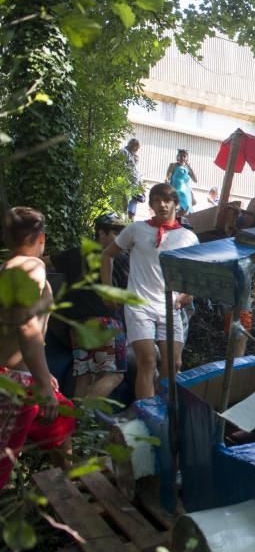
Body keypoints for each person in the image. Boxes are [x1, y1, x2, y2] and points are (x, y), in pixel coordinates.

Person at [101, 183, 199, 400]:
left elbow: (196, 272)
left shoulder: (189, 238)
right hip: (139, 304)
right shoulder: (136, 229)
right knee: (146, 361)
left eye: (167, 200)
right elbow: (107, 255)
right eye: (156, 200)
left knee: (174, 363)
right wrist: (107, 290)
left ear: (176, 204)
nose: (162, 204)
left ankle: (163, 412)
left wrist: (188, 293)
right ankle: (147, 416)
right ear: (152, 204)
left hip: (171, 306)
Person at [0, 208, 76, 488]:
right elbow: (28, 327)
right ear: (41, 238)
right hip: (11, 383)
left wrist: (41, 375)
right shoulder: (31, 266)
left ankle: (67, 488)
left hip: (21, 376)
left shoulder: (9, 268)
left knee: (61, 420)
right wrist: (42, 383)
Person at [48, 213, 129, 400]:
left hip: (77, 326)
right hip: (106, 324)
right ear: (101, 233)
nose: (120, 238)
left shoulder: (75, 253)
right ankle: (85, 419)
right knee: (115, 375)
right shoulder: (121, 259)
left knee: (84, 377)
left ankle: (77, 425)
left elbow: (42, 262)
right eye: (116, 233)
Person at [165, 149, 198, 216]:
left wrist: (190, 167)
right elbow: (168, 177)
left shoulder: (187, 168)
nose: (182, 158)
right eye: (180, 156)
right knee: (174, 210)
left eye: (184, 156)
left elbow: (195, 180)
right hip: (175, 191)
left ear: (187, 158)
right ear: (177, 157)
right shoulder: (173, 165)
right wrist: (166, 187)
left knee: (184, 212)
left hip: (186, 194)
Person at [123, 138, 145, 221]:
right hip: (126, 182)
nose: (137, 150)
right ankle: (124, 221)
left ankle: (130, 220)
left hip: (134, 183)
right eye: (136, 147)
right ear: (132, 145)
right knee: (124, 203)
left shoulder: (134, 155)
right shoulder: (124, 152)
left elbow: (135, 170)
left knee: (133, 203)